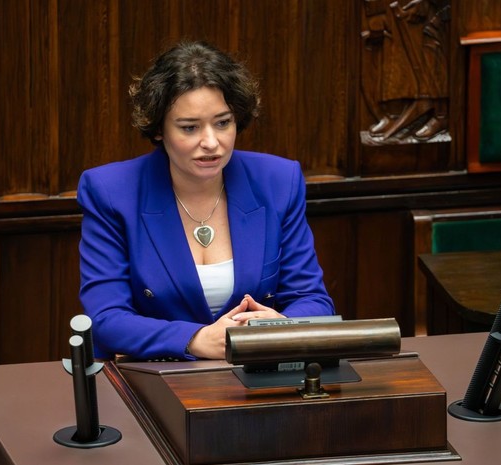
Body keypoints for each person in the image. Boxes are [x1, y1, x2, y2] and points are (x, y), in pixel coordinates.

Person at [77, 41, 336, 361]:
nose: (211, 142)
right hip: (154, 374)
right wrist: (195, 339)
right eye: (190, 127)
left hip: (257, 372)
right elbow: (106, 318)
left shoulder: (278, 180)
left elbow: (313, 301)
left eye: (223, 122)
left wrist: (277, 326)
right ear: (158, 129)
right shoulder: (111, 191)